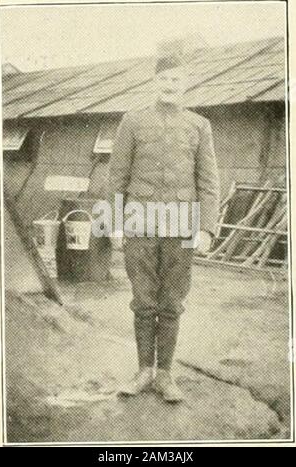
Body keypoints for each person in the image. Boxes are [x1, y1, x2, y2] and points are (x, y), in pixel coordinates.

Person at [107, 52, 220, 402]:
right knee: (143, 301)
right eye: (164, 79)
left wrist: (205, 228)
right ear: (155, 82)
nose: (170, 85)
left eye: (177, 80)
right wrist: (114, 222)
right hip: (139, 224)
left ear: (186, 84)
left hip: (182, 227)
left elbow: (208, 182)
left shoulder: (200, 126)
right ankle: (144, 372)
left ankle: (166, 376)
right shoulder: (132, 121)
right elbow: (117, 177)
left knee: (171, 302)